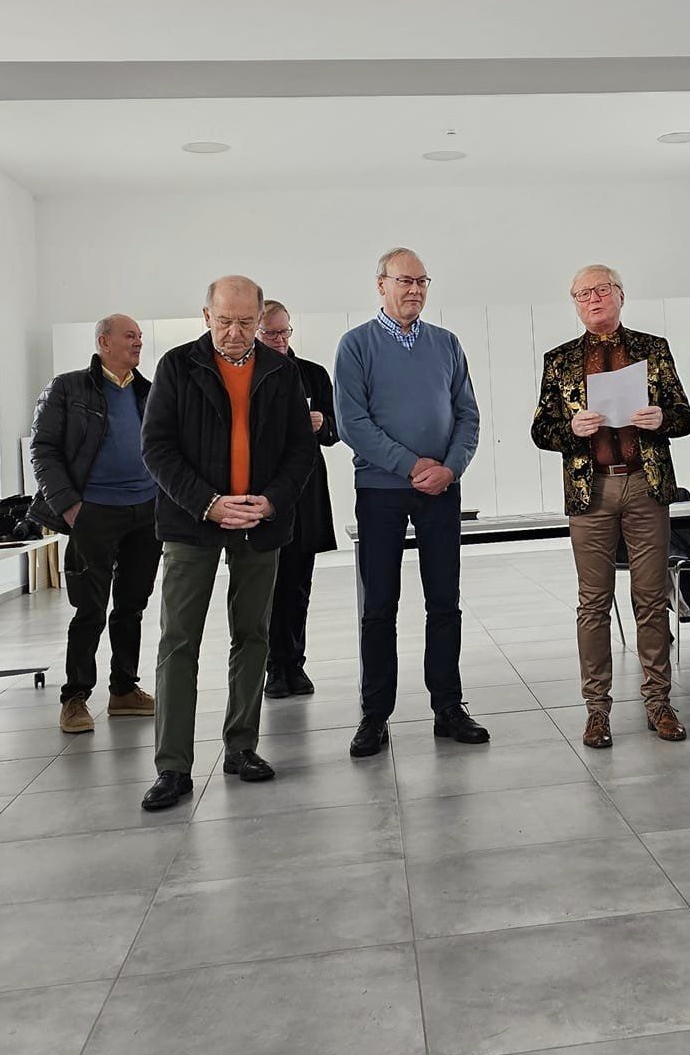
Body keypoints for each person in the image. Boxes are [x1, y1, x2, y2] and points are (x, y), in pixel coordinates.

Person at [139, 276, 315, 811]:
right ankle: (173, 766)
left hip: (260, 523)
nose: (234, 333)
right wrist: (209, 502)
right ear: (205, 315)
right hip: (194, 524)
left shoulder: (282, 371)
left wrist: (271, 502)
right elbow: (157, 449)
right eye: (224, 321)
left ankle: (242, 747)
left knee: (253, 635)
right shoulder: (176, 366)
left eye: (245, 322)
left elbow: (299, 450)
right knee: (178, 642)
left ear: (260, 319)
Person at [531, 264, 690, 748]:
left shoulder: (653, 349)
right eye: (583, 294)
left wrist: (662, 417)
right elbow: (541, 429)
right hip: (591, 491)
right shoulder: (559, 360)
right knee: (593, 603)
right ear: (575, 304)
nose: (593, 299)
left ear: (621, 295)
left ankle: (658, 702)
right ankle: (596, 710)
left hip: (645, 485)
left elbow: (685, 416)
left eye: (601, 290)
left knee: (650, 598)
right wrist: (572, 430)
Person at [334, 247, 485, 758]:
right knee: (380, 605)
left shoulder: (447, 344)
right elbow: (353, 423)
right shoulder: (356, 346)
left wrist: (450, 468)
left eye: (422, 281)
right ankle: (375, 715)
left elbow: (468, 415)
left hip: (441, 490)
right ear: (381, 284)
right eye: (404, 280)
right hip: (380, 492)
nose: (414, 289)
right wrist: (410, 465)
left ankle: (448, 707)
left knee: (444, 601)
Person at [29, 315, 162, 734]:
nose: (138, 342)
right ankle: (75, 698)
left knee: (132, 606)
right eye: (129, 336)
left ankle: (124, 689)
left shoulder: (148, 390)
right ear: (103, 341)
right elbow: (43, 449)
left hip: (146, 511)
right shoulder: (68, 388)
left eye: (140, 336)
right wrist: (69, 506)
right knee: (89, 609)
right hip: (93, 513)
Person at [255, 300, 340, 698]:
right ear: (255, 333)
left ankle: (296, 664)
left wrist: (323, 424)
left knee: (299, 584)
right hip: (264, 492)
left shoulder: (312, 374)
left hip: (305, 491)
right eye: (271, 333)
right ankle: (273, 667)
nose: (280, 340)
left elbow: (337, 430)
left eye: (285, 331)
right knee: (268, 585)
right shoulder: (248, 375)